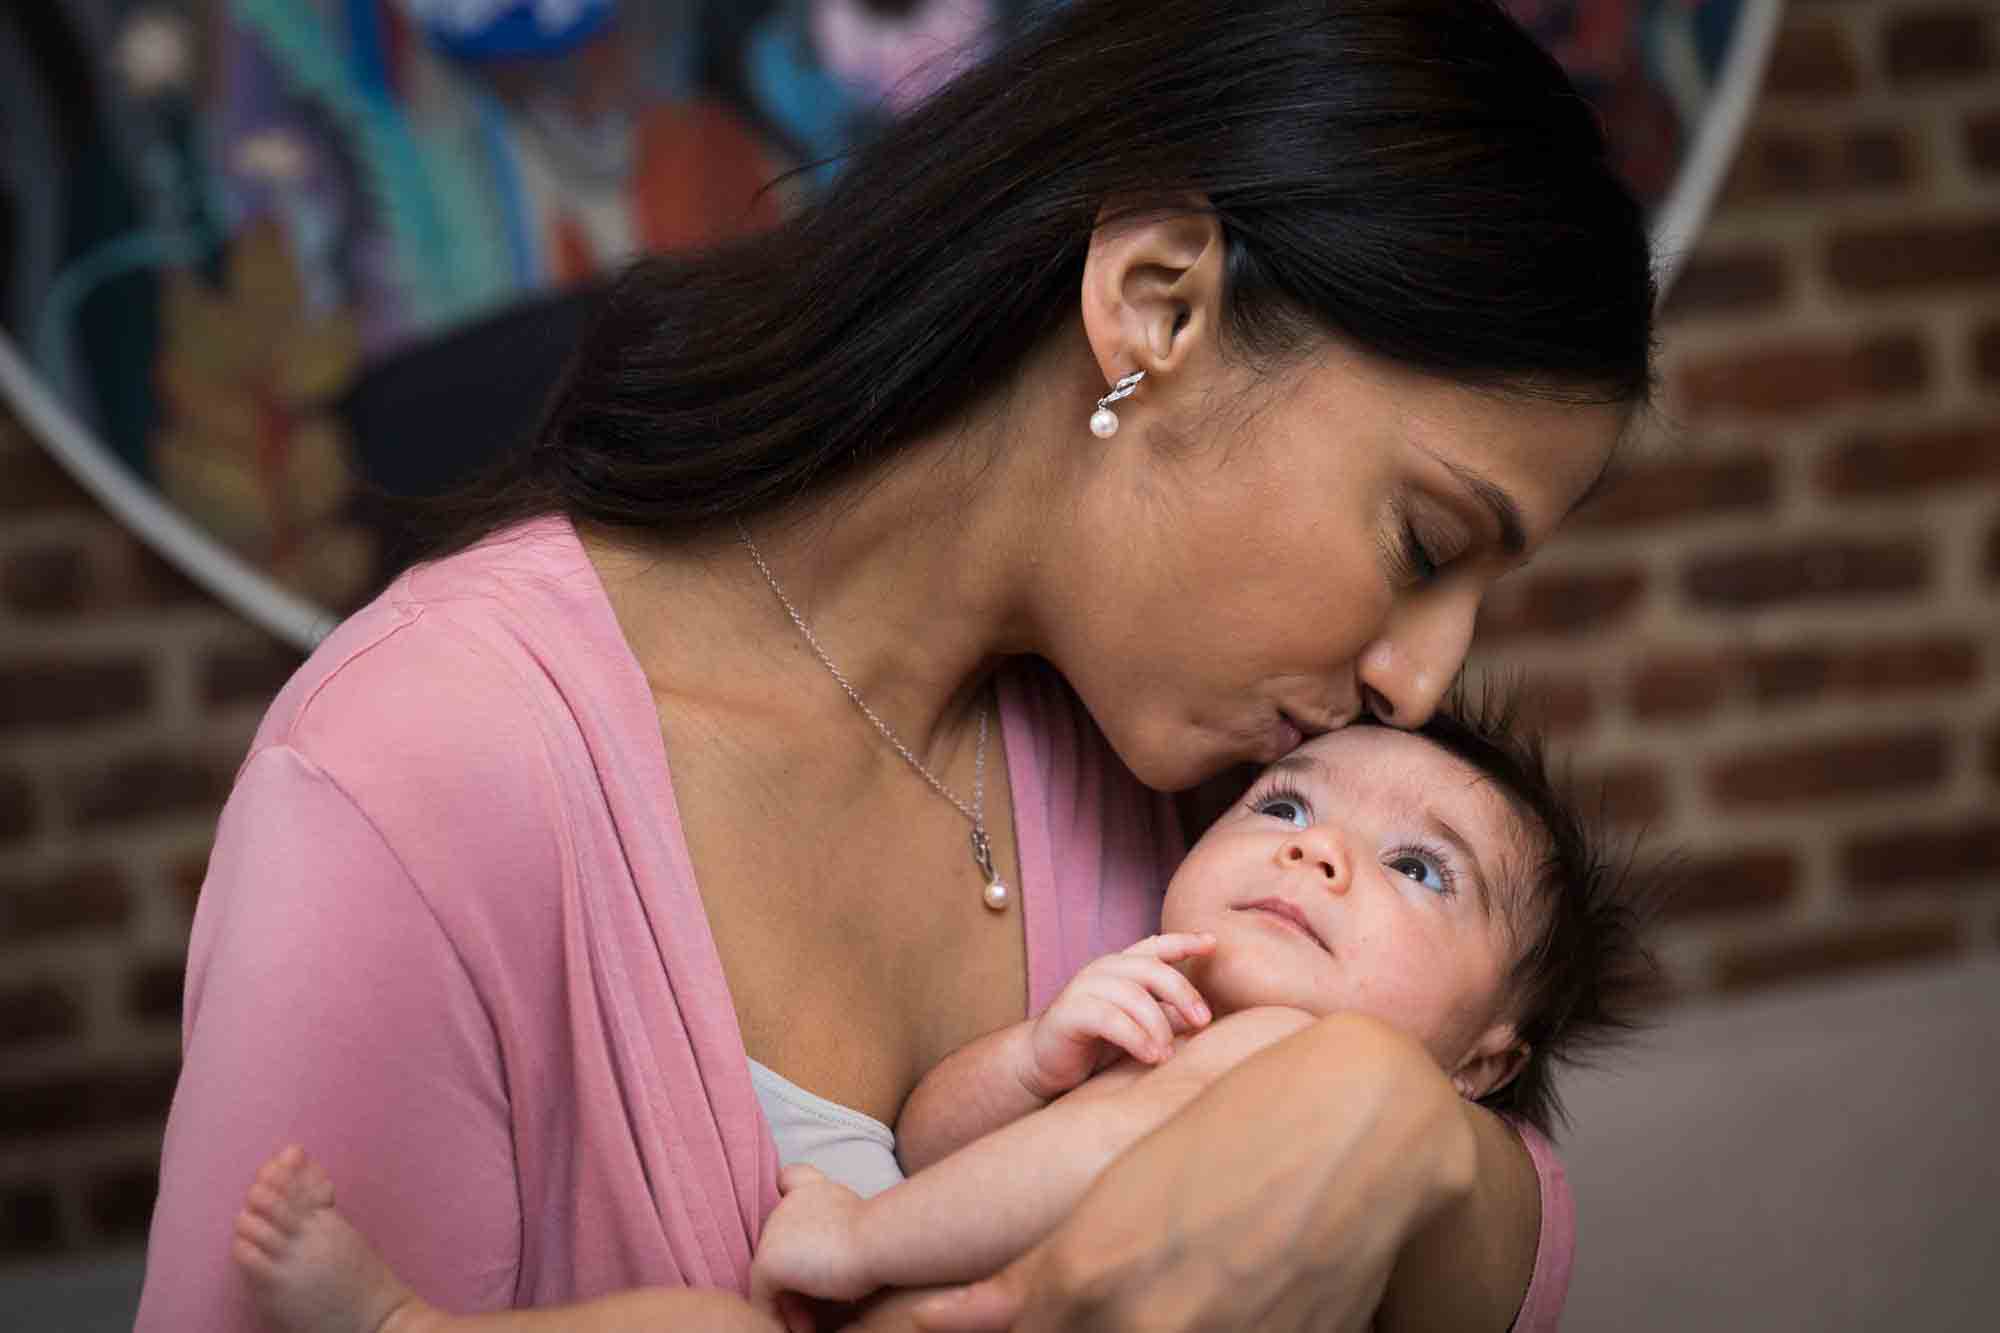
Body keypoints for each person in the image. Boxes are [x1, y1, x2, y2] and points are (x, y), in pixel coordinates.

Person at [136, 0, 1657, 1329]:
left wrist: (1390, 1119)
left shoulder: (1234, 796)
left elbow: (1502, 1214)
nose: (1420, 679)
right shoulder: (417, 774)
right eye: (1424, 543)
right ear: (1158, 306)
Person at [225, 704, 1654, 1333]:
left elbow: (1062, 1172)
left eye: (1419, 869)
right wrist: (1034, 1059)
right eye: (1284, 802)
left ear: (1485, 1058)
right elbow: (933, 1138)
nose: (1317, 848)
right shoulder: (1146, 1011)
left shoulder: (1320, 1073)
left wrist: (857, 1240)